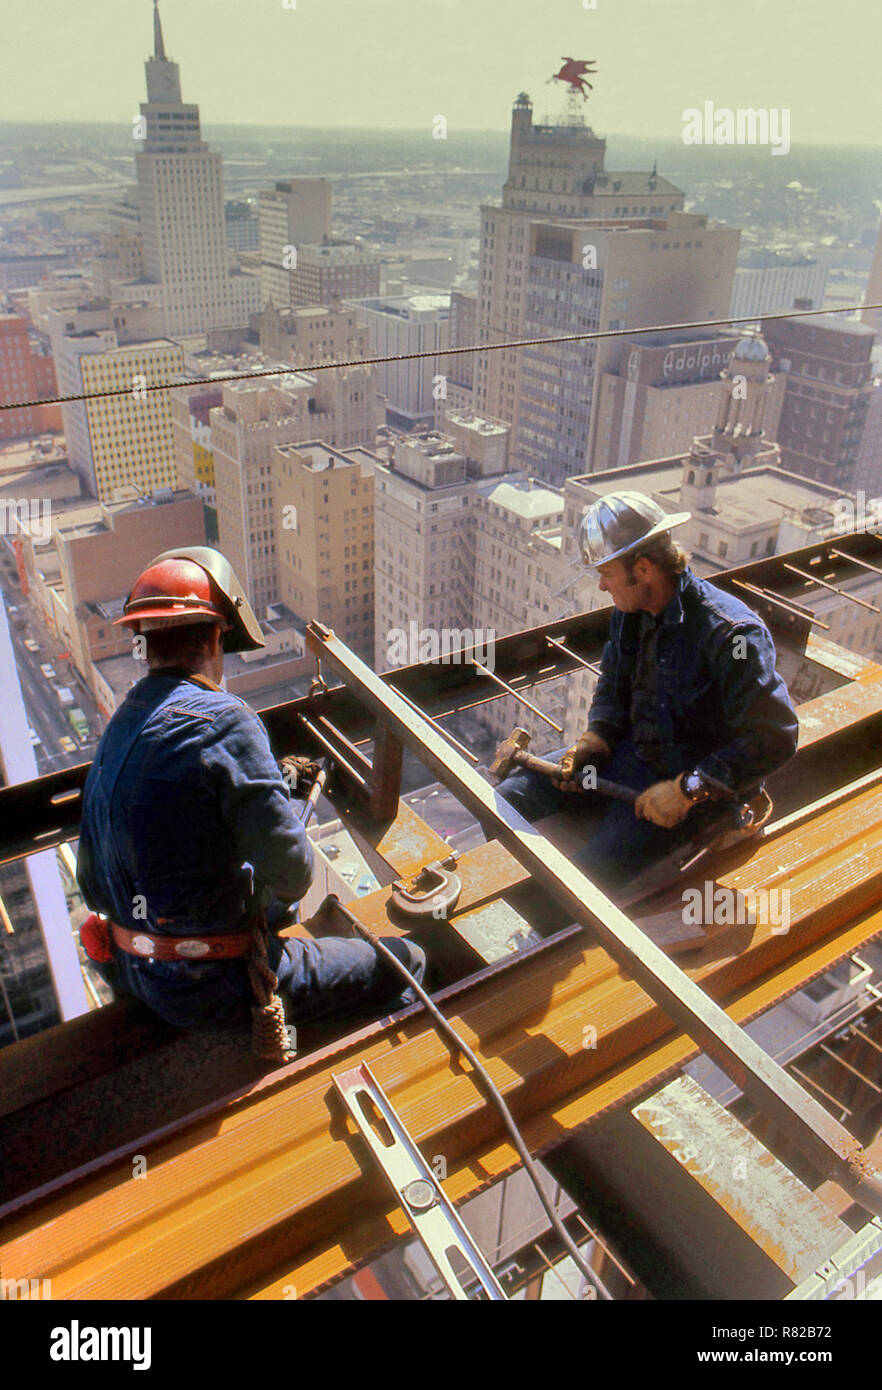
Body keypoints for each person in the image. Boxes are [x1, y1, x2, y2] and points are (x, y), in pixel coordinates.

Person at [76, 545, 425, 1032]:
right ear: (214, 638)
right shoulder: (225, 721)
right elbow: (292, 874)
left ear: (145, 644)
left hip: (133, 970)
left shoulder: (119, 725)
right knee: (407, 960)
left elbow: (97, 879)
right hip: (206, 985)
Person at [494, 492, 798, 890]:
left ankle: (547, 928)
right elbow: (615, 679)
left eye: (607, 573)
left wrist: (689, 789)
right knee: (504, 801)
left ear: (643, 568)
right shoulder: (632, 612)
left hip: (697, 794)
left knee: (578, 882)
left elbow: (775, 737)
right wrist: (597, 736)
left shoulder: (731, 635)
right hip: (631, 760)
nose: (602, 587)